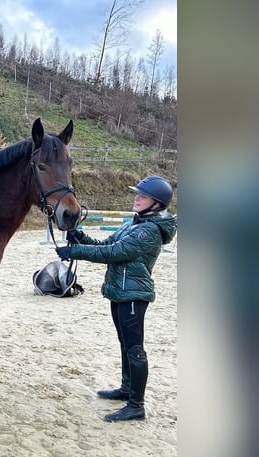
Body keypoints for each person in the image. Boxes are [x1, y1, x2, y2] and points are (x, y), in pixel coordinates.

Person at [56, 176, 177, 421]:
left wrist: (75, 251)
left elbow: (114, 253)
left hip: (133, 295)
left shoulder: (149, 230)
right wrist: (79, 237)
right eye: (137, 194)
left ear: (156, 204)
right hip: (120, 292)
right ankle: (126, 388)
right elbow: (104, 243)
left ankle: (136, 405)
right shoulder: (132, 224)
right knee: (125, 343)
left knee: (134, 348)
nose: (136, 197)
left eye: (142, 196)